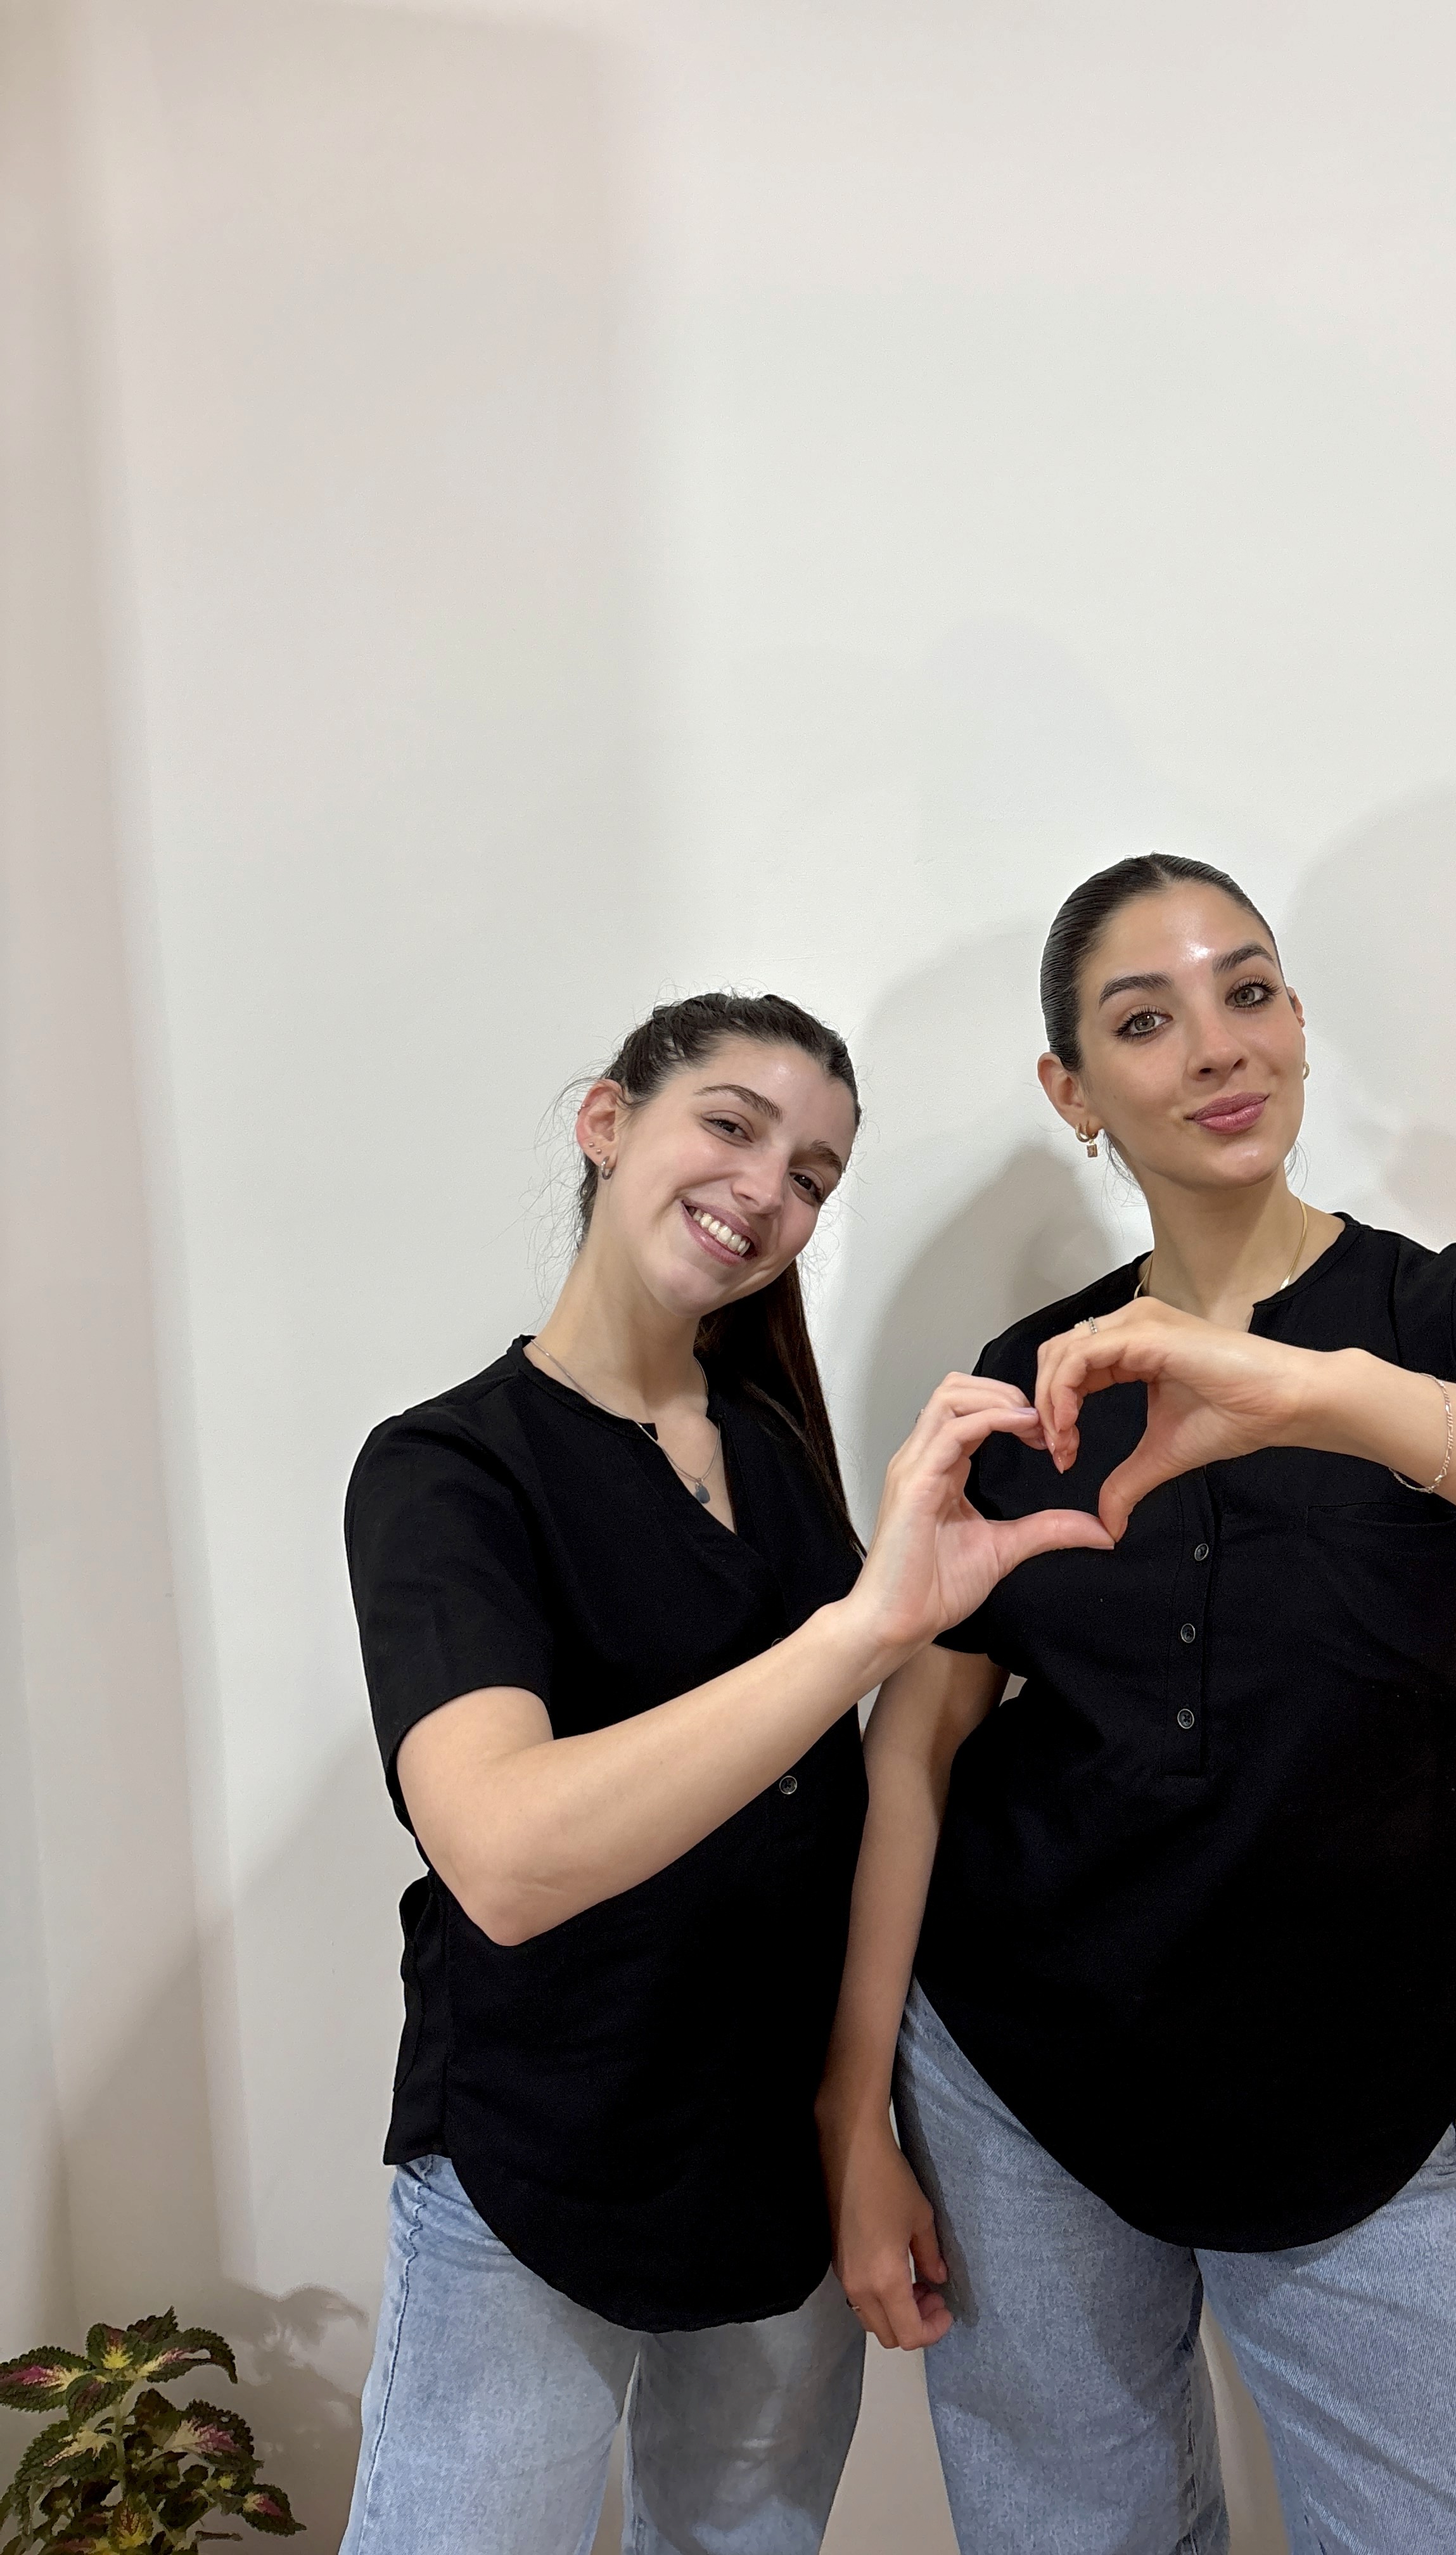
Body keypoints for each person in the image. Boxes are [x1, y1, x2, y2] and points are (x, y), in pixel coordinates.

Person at [816, 859, 1456, 2555]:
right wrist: (852, 2117)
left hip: (1351, 2090)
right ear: (1072, 1092)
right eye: (1147, 1019)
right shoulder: (1034, 1371)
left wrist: (1335, 1400)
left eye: (1249, 991)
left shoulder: (1452, 1318)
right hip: (1019, 2085)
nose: (1218, 1046)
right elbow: (916, 1744)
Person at [339, 990, 1108, 2555]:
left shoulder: (770, 1450)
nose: (772, 1191)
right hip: (534, 2161)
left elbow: (854, 1799)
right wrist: (861, 1629)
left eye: (815, 1174)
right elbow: (506, 1854)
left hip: (770, 2174)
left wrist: (856, 2123)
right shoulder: (450, 1471)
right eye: (734, 1128)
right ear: (608, 1122)